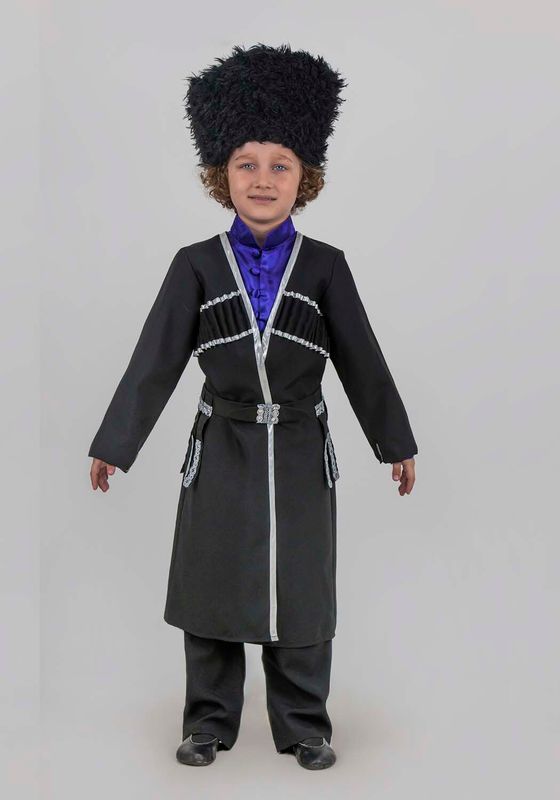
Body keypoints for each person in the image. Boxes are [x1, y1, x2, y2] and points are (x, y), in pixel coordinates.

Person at [88, 43, 418, 770]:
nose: (263, 179)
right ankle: (208, 721)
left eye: (280, 165)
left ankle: (304, 726)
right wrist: (115, 444)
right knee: (211, 583)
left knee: (301, 590)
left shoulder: (326, 267)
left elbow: (362, 360)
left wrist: (394, 442)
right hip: (221, 448)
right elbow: (155, 361)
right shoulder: (195, 265)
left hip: (300, 450)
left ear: (305, 178)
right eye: (246, 164)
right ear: (221, 175)